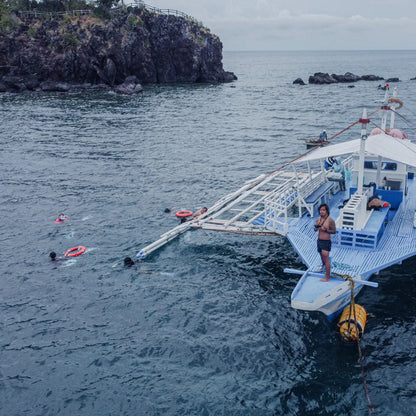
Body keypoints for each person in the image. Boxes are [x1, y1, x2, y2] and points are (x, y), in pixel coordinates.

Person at [314, 203, 336, 282]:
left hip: (326, 242)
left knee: (326, 259)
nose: (322, 212)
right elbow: (315, 229)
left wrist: (325, 230)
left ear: (327, 211)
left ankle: (327, 277)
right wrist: (316, 227)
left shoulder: (330, 220)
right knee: (321, 256)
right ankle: (323, 266)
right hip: (319, 241)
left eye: (323, 210)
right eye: (320, 210)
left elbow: (334, 231)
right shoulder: (318, 219)